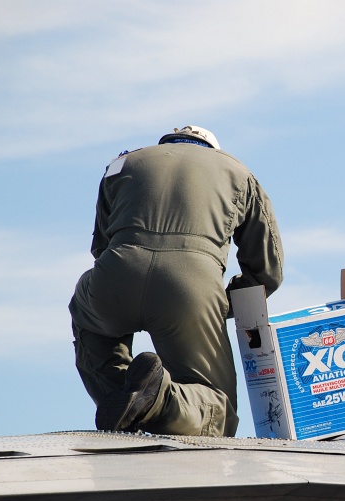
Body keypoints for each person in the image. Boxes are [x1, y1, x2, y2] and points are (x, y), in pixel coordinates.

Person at [69, 125, 283, 437]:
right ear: (212, 149)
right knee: (217, 410)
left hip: (117, 273)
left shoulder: (122, 164)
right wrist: (222, 306)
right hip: (191, 287)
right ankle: (159, 401)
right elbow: (266, 273)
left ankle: (122, 400)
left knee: (87, 314)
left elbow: (101, 248)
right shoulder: (237, 171)